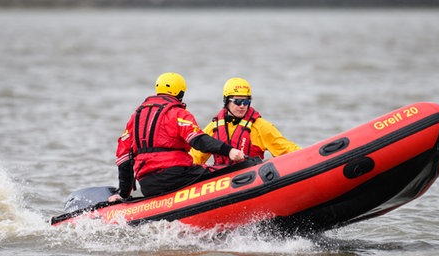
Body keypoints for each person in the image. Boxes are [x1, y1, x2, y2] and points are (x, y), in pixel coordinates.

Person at [108, 72, 245, 202]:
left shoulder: (135, 117)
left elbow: (124, 158)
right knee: (229, 169)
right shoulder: (178, 113)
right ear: (181, 93)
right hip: (177, 176)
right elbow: (198, 140)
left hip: (148, 184)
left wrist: (124, 194)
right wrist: (229, 151)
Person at [191, 77, 301, 166]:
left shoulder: (261, 127)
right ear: (226, 102)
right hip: (222, 181)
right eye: (238, 101)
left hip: (252, 178)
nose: (242, 106)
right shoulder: (213, 128)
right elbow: (195, 158)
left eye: (246, 101)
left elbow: (287, 149)